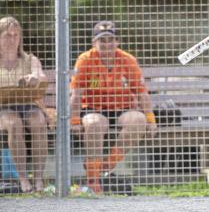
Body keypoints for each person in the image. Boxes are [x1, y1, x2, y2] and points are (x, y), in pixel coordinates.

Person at [69, 20, 157, 194]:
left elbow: (141, 92)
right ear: (94, 43)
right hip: (94, 108)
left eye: (111, 40)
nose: (107, 44)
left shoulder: (128, 60)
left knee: (138, 120)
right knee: (94, 124)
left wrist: (150, 118)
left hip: (122, 108)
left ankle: (106, 165)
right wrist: (74, 119)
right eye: (102, 40)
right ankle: (93, 182)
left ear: (118, 42)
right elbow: (77, 94)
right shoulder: (85, 60)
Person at [0, 16, 49, 193]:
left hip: (27, 104)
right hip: (2, 107)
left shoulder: (30, 60)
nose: (12, 39)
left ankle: (38, 178)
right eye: (7, 35)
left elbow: (41, 76)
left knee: (38, 122)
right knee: (14, 123)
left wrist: (34, 78)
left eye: (15, 35)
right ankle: (22, 178)